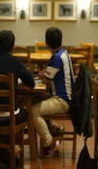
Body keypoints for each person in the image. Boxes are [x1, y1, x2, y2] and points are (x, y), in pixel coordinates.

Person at [29, 26, 71, 156]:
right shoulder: (64, 53)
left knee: (32, 111)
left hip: (62, 100)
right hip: (67, 97)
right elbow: (50, 75)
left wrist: (41, 74)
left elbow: (47, 79)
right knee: (40, 100)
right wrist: (44, 74)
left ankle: (49, 143)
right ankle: (53, 127)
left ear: (46, 43)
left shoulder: (56, 58)